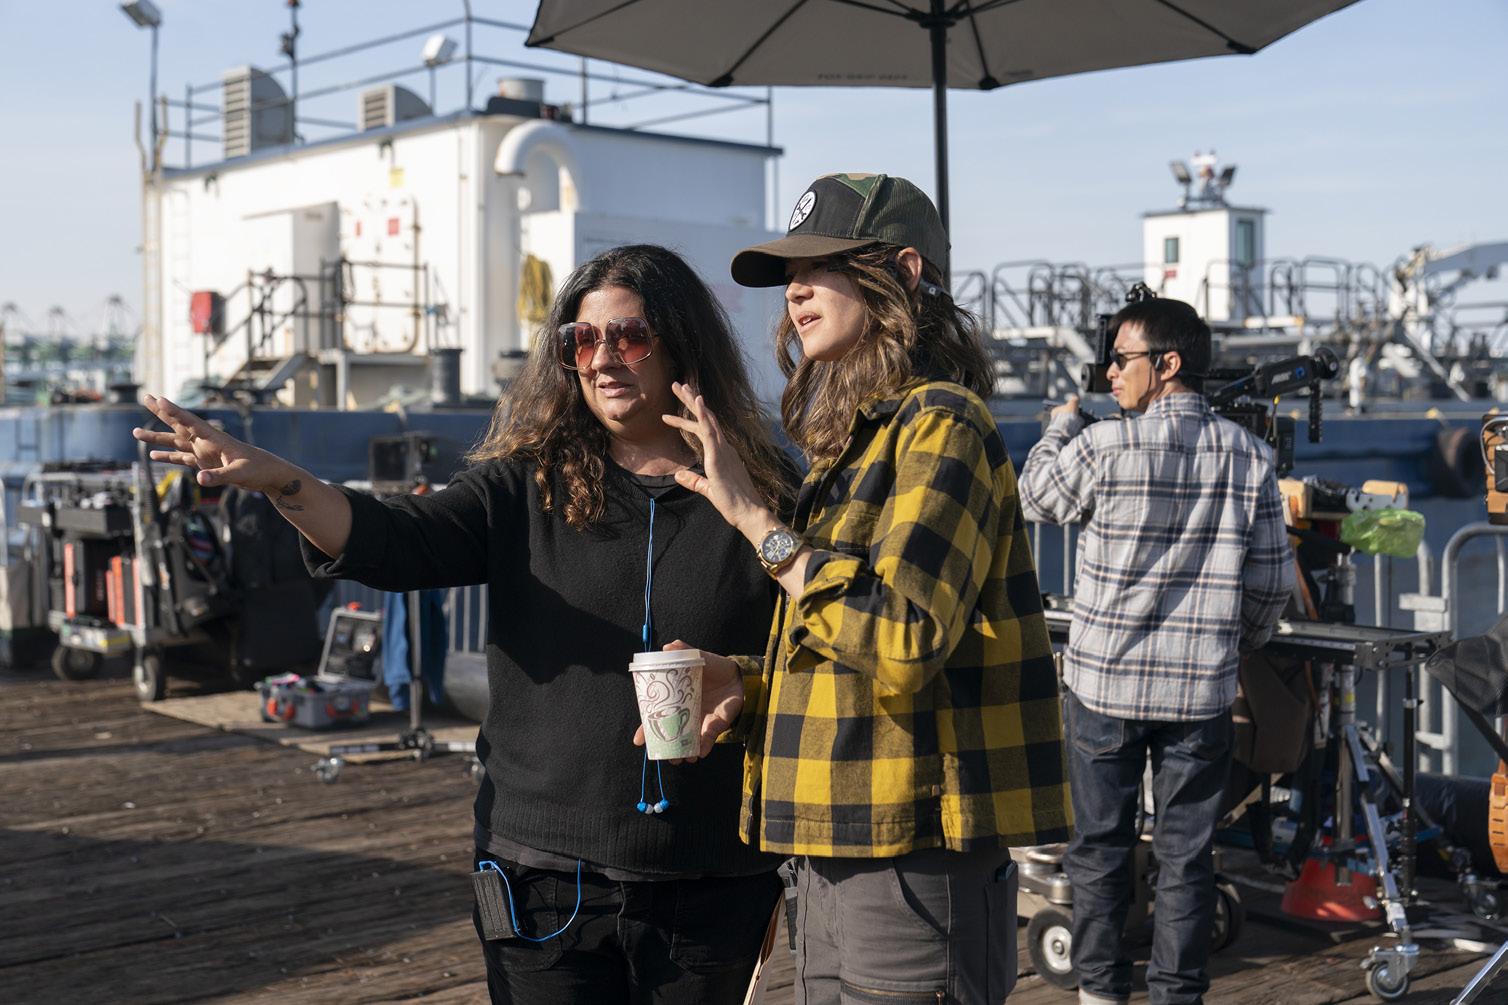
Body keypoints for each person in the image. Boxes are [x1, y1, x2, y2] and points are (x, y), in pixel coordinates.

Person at [133, 244, 793, 1004]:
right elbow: (392, 539)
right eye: (581, 340)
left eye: (631, 336)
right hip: (544, 878)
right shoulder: (525, 486)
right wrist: (280, 480)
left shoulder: (766, 494)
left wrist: (755, 539)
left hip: (712, 879)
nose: (604, 358)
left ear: (683, 342)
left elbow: (824, 640)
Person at [646, 173, 1073, 1004]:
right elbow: (853, 658)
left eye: (821, 266)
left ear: (902, 272)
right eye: (789, 275)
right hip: (832, 845)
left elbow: (904, 638)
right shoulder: (857, 443)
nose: (795, 290)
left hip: (913, 854)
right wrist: (747, 684)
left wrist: (757, 521)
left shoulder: (943, 423)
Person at [1016, 295, 1294, 1005]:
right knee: (1187, 858)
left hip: (1104, 687)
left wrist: (1058, 426)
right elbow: (1270, 584)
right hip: (1200, 694)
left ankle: (1100, 992)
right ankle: (1177, 994)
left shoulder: (1104, 445)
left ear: (1167, 364)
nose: (1111, 372)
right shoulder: (1252, 457)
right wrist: (1229, 645)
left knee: (1099, 848)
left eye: (1122, 358)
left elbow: (1035, 496)